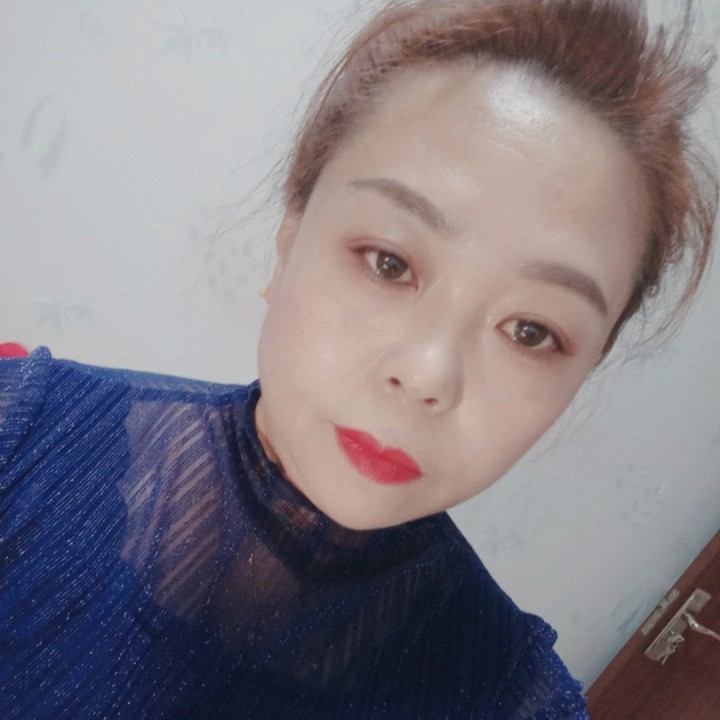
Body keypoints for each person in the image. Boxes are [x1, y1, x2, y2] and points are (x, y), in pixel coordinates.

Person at [0, 0, 716, 718]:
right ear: (292, 232)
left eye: (531, 332)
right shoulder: (21, 437)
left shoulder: (510, 702)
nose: (428, 374)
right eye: (388, 262)